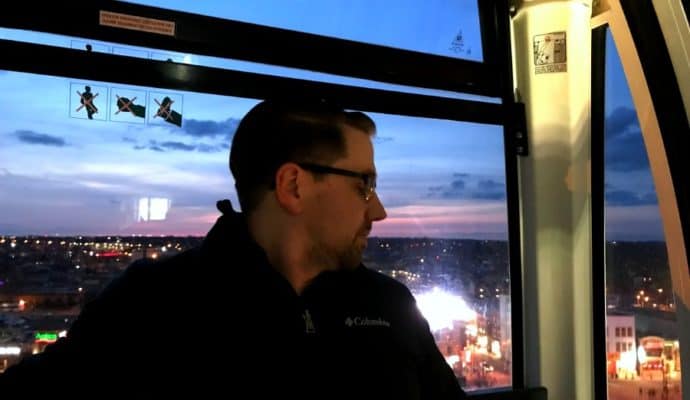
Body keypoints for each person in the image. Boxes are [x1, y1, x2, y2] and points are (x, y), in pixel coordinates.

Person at [0, 98, 466, 399]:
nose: (379, 210)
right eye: (364, 185)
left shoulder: (390, 304)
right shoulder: (153, 305)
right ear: (293, 186)